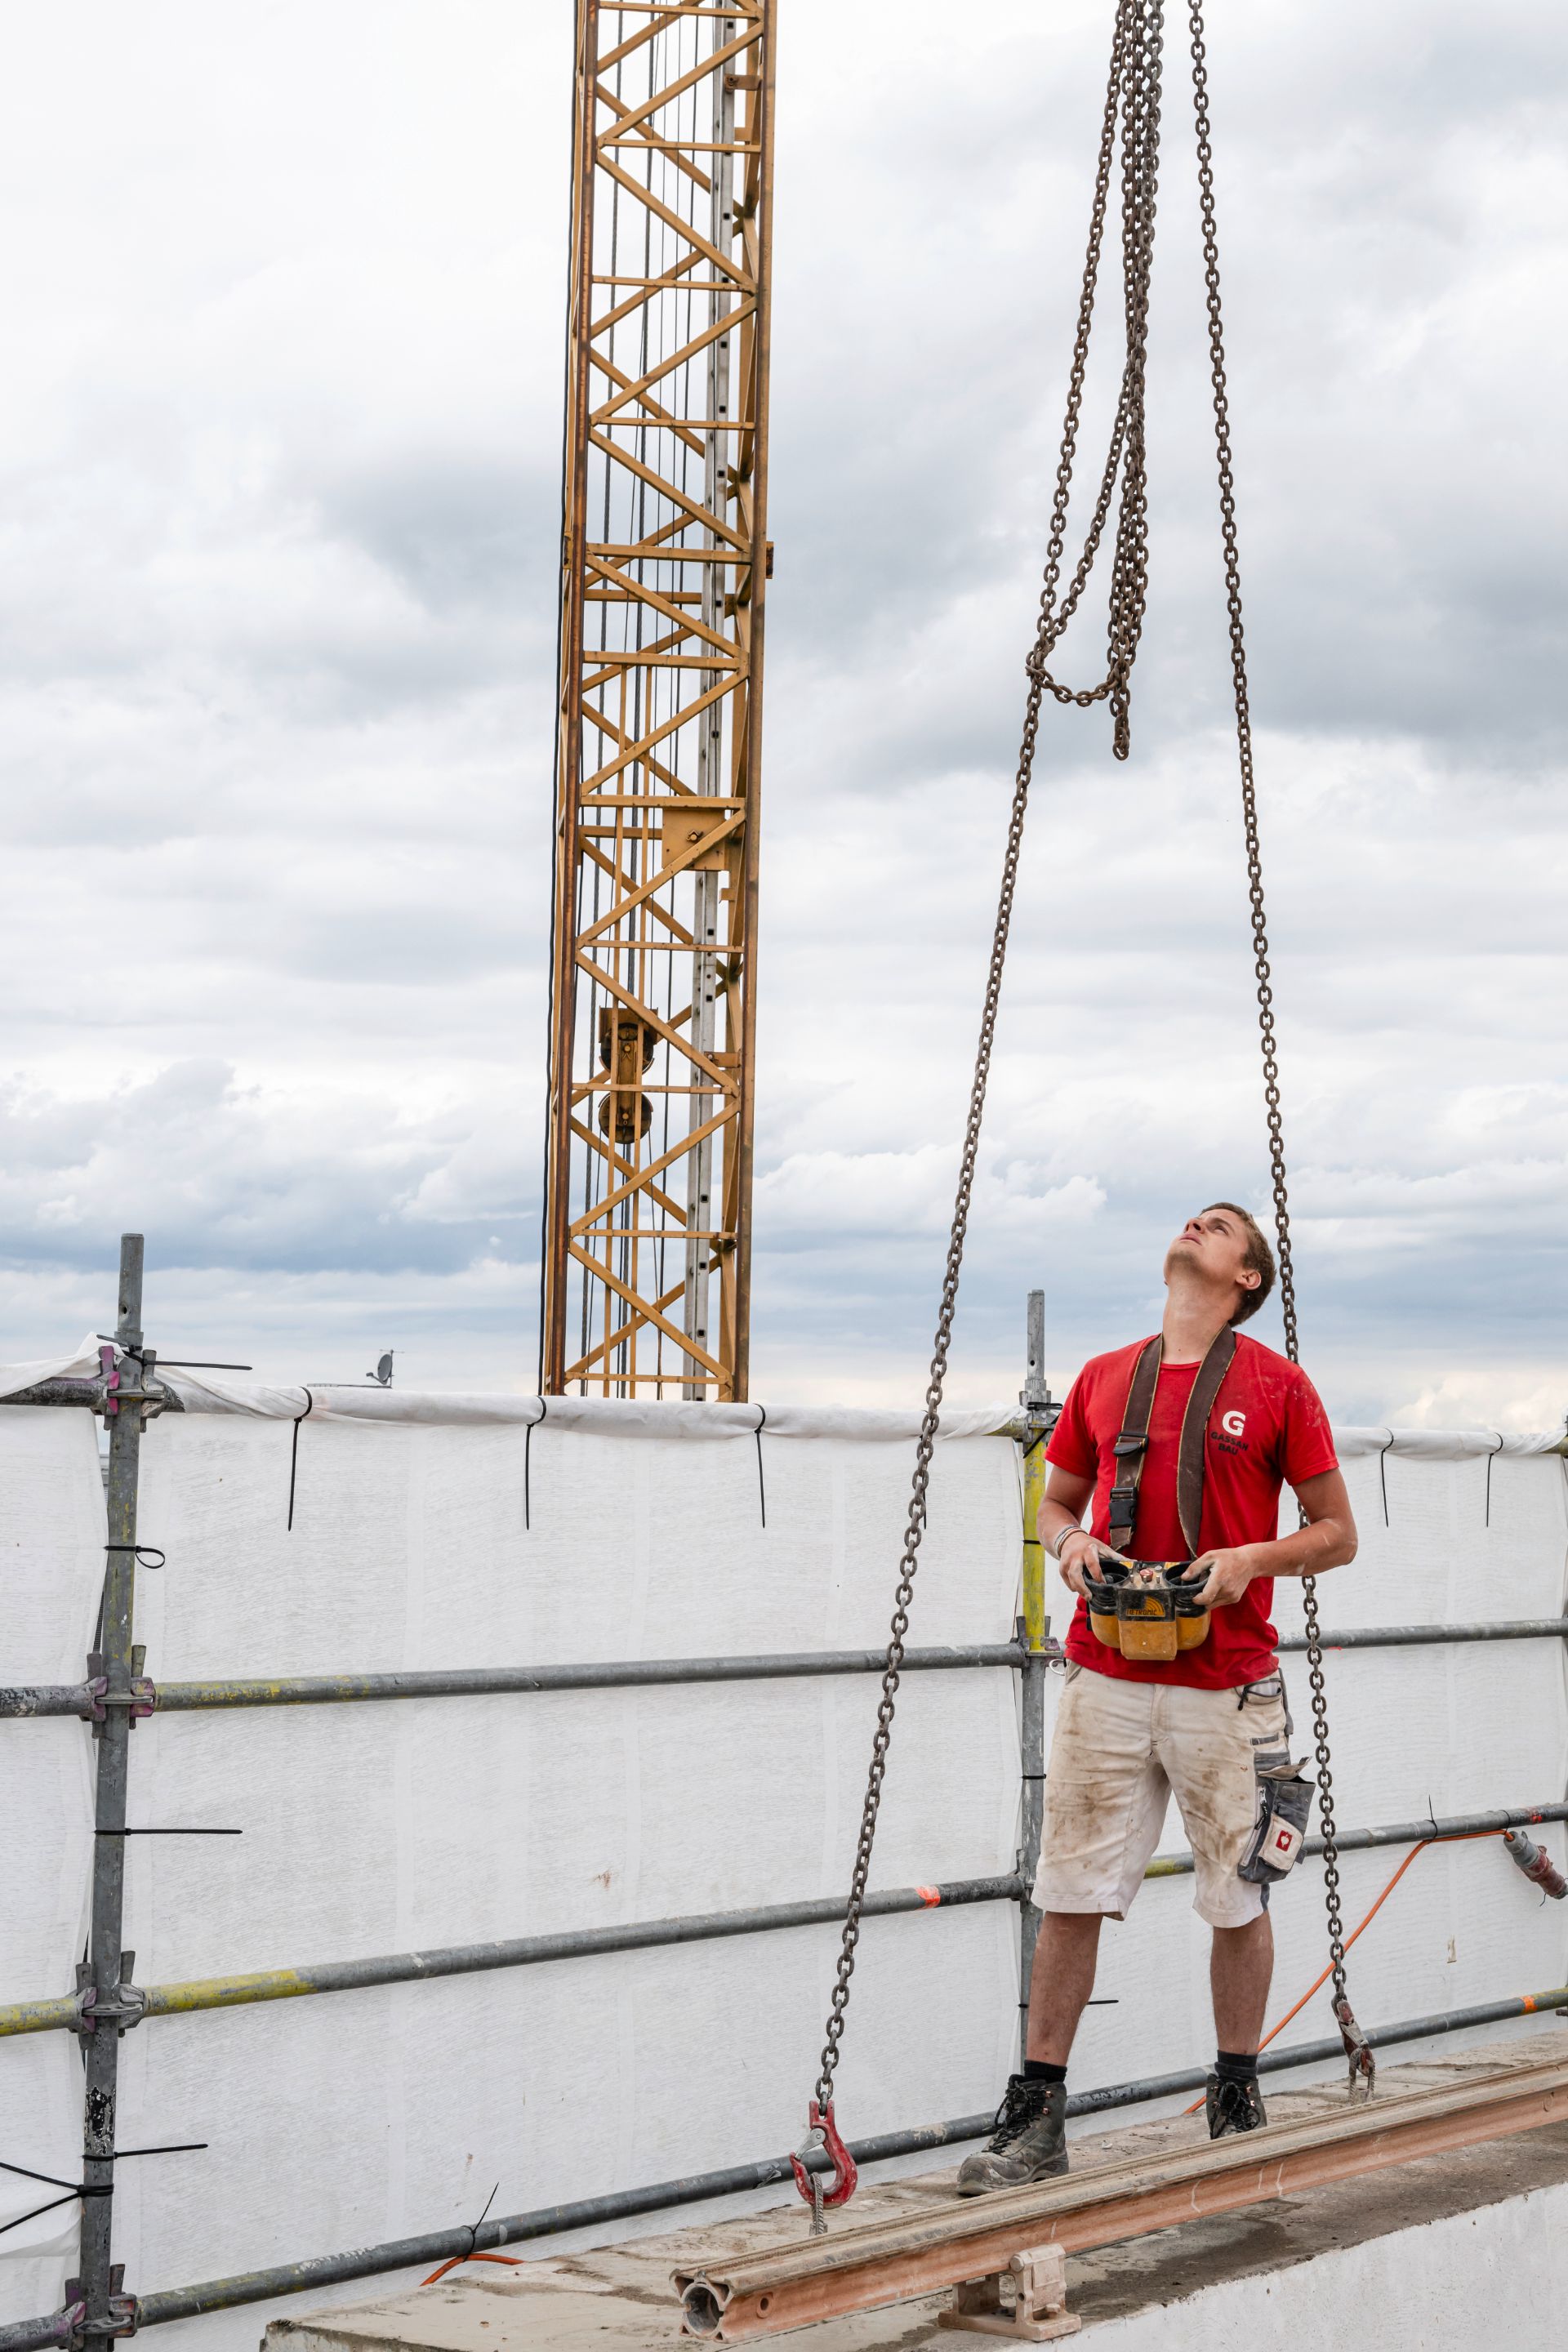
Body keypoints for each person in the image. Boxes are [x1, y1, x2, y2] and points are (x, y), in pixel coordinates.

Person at [956, 1204, 1356, 2194]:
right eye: (1196, 1217)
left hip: (1224, 1686)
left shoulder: (1276, 1387)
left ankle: (1234, 2097)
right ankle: (1037, 2114)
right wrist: (1070, 1544)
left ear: (1247, 1279)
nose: (1200, 1223)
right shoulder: (1102, 1379)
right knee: (1068, 1891)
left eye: (1223, 1227)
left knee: (1236, 1894)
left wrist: (1250, 1559)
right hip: (1110, 1672)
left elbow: (1338, 1533)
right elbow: (1055, 1502)